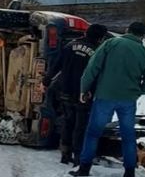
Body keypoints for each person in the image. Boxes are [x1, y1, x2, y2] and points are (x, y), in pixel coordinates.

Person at [70, 22, 145, 177]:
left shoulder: (110, 44)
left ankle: (84, 168)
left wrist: (84, 89)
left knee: (93, 133)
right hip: (128, 100)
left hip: (104, 96)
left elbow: (92, 67)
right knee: (128, 136)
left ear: (127, 30)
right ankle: (129, 172)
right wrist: (138, 92)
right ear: (143, 35)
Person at [44, 23, 108, 165]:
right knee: (81, 126)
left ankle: (65, 153)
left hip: (65, 90)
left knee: (68, 121)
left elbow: (57, 65)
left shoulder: (70, 46)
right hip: (84, 94)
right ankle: (78, 156)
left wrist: (47, 79)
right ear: (100, 38)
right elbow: (100, 74)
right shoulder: (98, 52)